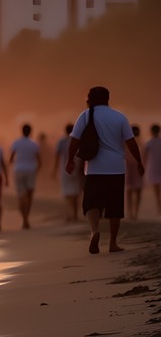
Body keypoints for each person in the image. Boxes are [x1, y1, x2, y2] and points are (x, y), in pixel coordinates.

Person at [66, 86, 144, 254]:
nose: (86, 100)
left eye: (88, 97)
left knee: (91, 202)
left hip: (94, 168)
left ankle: (95, 230)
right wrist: (139, 161)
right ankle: (113, 243)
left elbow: (74, 141)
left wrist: (70, 160)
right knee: (115, 206)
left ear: (93, 99)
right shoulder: (119, 117)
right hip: (116, 168)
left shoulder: (86, 115)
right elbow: (131, 142)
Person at [9, 123, 41, 230]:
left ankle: (24, 218)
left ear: (22, 131)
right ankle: (26, 218)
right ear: (30, 132)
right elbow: (39, 160)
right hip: (31, 170)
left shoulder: (16, 143)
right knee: (29, 195)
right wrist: (37, 170)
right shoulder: (34, 144)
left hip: (19, 169)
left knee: (21, 195)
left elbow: (11, 158)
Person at [53, 125, 84, 222]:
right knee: (76, 192)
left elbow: (57, 157)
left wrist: (54, 170)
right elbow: (82, 156)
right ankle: (75, 214)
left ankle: (69, 214)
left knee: (67, 193)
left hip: (65, 169)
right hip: (77, 168)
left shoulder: (61, 141)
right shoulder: (78, 141)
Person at [125, 126, 144, 220]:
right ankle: (134, 213)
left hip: (130, 169)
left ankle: (131, 213)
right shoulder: (140, 143)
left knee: (129, 192)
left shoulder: (126, 143)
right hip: (136, 169)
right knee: (137, 191)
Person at [145, 124, 161, 215]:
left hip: (154, 167)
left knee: (156, 189)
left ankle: (158, 205)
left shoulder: (149, 142)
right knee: (157, 188)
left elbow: (145, 156)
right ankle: (158, 206)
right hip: (158, 166)